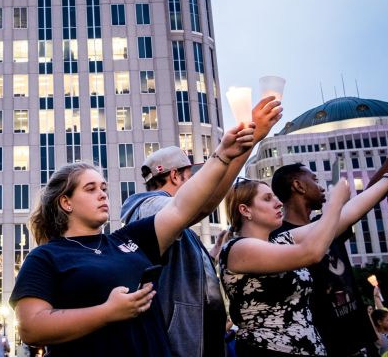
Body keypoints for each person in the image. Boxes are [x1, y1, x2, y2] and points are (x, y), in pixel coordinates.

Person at [10, 124, 256, 357]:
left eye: (103, 187)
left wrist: (223, 155)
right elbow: (31, 328)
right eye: (90, 189)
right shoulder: (45, 257)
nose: (102, 194)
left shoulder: (129, 239)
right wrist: (107, 312)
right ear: (66, 202)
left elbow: (183, 207)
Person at [120, 96, 281, 357]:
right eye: (192, 176)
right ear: (174, 175)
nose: (200, 182)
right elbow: (204, 205)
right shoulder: (148, 206)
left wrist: (213, 254)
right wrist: (245, 145)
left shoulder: (173, 217)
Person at [271, 108, 388, 357]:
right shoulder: (278, 239)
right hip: (324, 345)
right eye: (314, 179)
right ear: (298, 186)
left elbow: (370, 193)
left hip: (361, 342)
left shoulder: (330, 223)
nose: (322, 185)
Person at [220, 157, 388, 357]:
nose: (278, 203)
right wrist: (334, 203)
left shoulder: (282, 240)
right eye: (267, 199)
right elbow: (311, 253)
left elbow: (347, 214)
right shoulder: (238, 249)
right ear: (245, 210)